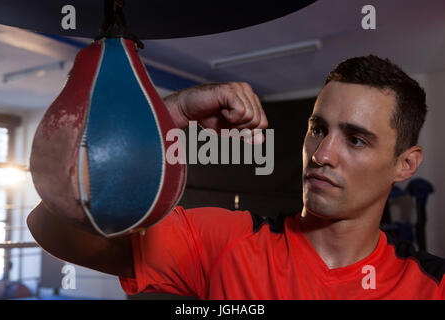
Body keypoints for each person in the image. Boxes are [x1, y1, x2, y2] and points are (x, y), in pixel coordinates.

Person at [28, 55, 445, 299]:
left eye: (355, 140)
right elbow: (51, 225)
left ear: (405, 164)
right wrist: (166, 120)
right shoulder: (223, 241)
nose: (321, 154)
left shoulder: (431, 284)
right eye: (318, 129)